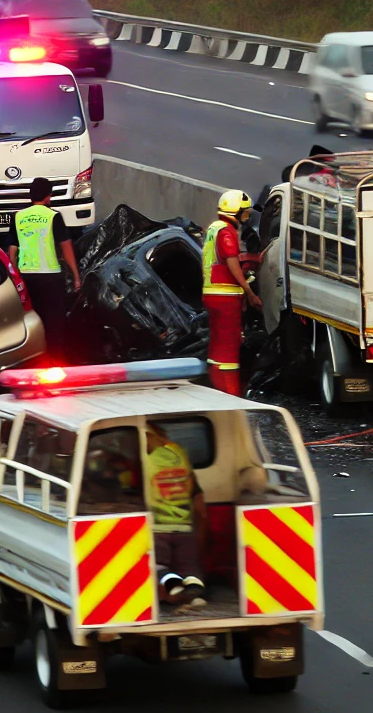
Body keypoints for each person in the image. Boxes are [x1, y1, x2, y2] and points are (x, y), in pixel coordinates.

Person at [8, 177, 80, 355]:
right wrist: (76, 276)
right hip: (50, 276)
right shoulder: (53, 216)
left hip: (27, 275)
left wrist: (15, 275)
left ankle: (35, 355)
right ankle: (55, 358)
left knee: (33, 318)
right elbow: (66, 248)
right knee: (54, 321)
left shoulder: (18, 217)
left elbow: (12, 251)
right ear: (49, 196)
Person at [203, 189, 260, 397]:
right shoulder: (226, 232)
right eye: (244, 212)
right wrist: (249, 291)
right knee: (229, 349)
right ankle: (231, 394)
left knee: (217, 347)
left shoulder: (214, 228)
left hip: (213, 295)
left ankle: (215, 389)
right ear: (235, 211)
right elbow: (232, 263)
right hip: (225, 298)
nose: (246, 216)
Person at [146, 422, 206, 607]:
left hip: (158, 527)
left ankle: (173, 586)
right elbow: (194, 491)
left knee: (157, 565)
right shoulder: (179, 456)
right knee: (189, 566)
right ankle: (194, 593)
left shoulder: (147, 462)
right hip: (184, 524)